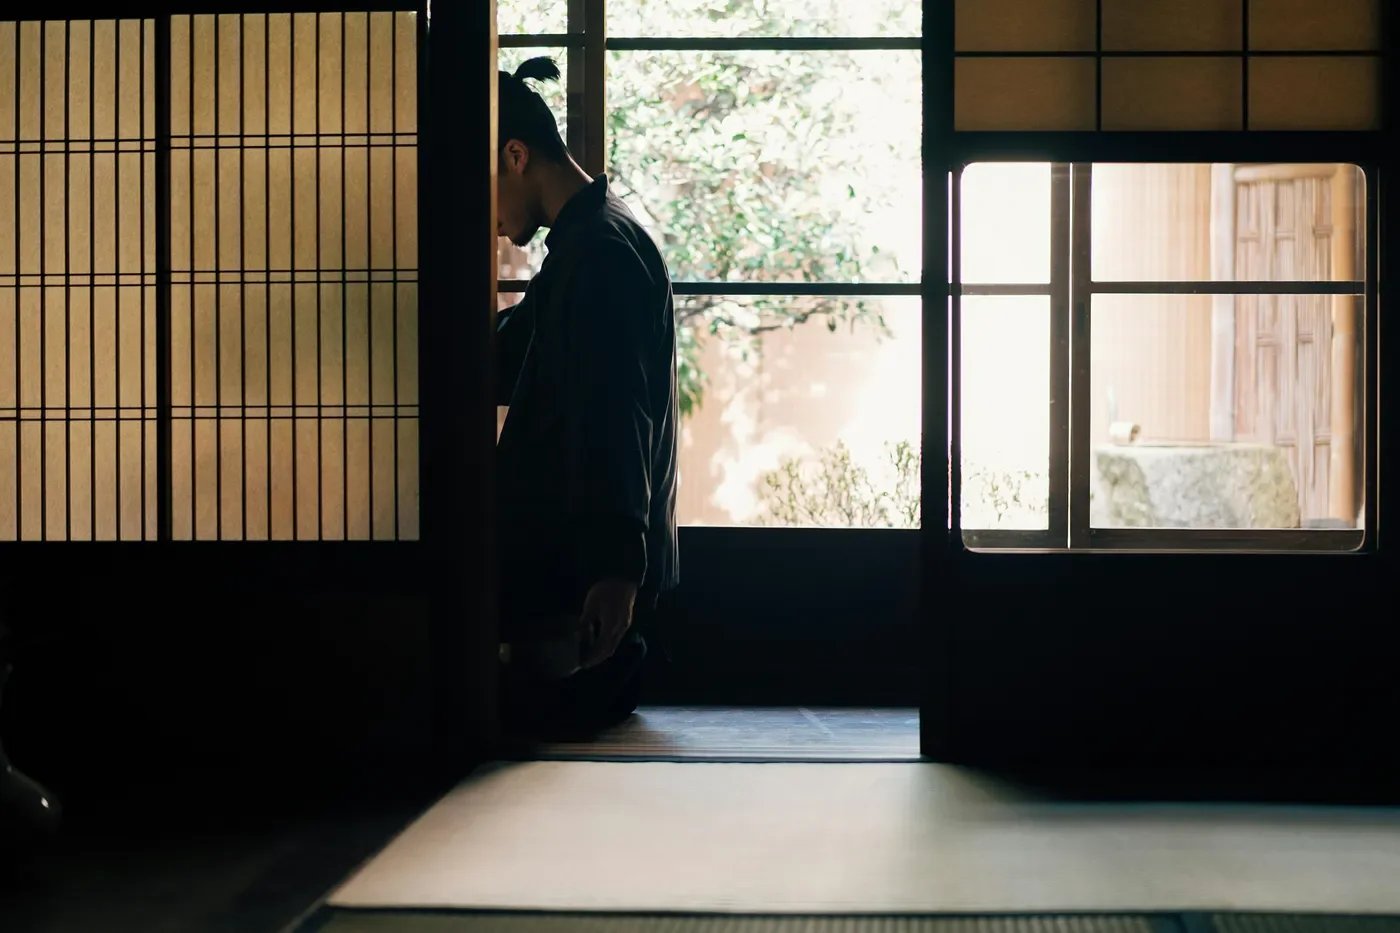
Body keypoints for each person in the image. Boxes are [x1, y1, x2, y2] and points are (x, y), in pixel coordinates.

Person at [493, 57, 680, 738]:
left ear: (515, 156)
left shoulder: (599, 253)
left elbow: (617, 416)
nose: (486, 222)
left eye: (480, 190)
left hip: (584, 575)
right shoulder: (589, 238)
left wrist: (615, 568)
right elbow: (510, 348)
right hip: (576, 557)